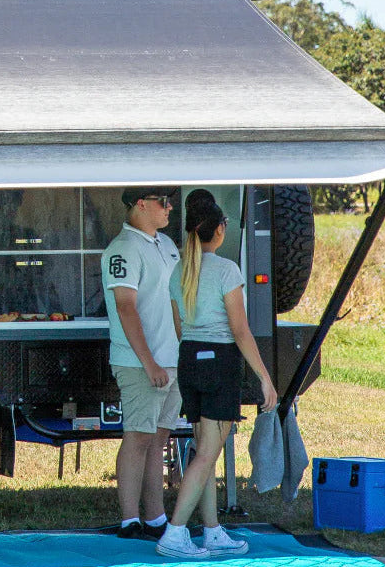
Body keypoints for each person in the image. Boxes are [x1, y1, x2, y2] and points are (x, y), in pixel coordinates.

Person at [155, 190, 278, 559]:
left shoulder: (180, 270)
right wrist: (265, 378)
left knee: (203, 451)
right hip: (219, 363)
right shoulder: (227, 270)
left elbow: (179, 328)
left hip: (189, 360)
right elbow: (240, 331)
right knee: (207, 453)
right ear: (220, 229)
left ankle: (211, 531)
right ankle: (175, 533)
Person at [101, 187, 181, 540]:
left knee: (158, 439)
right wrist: (149, 363)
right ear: (140, 204)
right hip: (141, 363)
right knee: (138, 437)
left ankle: (155, 517)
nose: (169, 208)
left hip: (172, 358)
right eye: (163, 202)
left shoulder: (166, 244)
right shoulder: (123, 249)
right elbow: (126, 307)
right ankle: (129, 519)